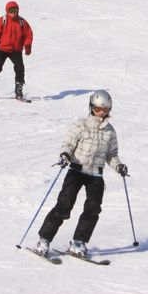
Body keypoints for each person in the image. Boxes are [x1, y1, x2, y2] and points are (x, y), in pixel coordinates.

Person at [33, 90, 127, 260]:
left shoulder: (110, 131)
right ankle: (44, 240)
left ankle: (78, 242)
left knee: (93, 209)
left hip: (96, 174)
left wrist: (119, 166)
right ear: (91, 107)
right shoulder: (80, 125)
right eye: (98, 109)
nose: (101, 113)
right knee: (64, 206)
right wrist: (65, 155)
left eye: (105, 110)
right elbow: (68, 144)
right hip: (77, 170)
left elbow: (111, 155)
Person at [0, 1, 33, 100]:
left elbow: (28, 34)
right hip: (2, 49)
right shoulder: (2, 21)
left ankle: (19, 89)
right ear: (7, 11)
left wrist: (28, 46)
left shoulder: (22, 22)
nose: (13, 13)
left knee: (20, 67)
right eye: (11, 11)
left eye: (15, 10)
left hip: (16, 49)